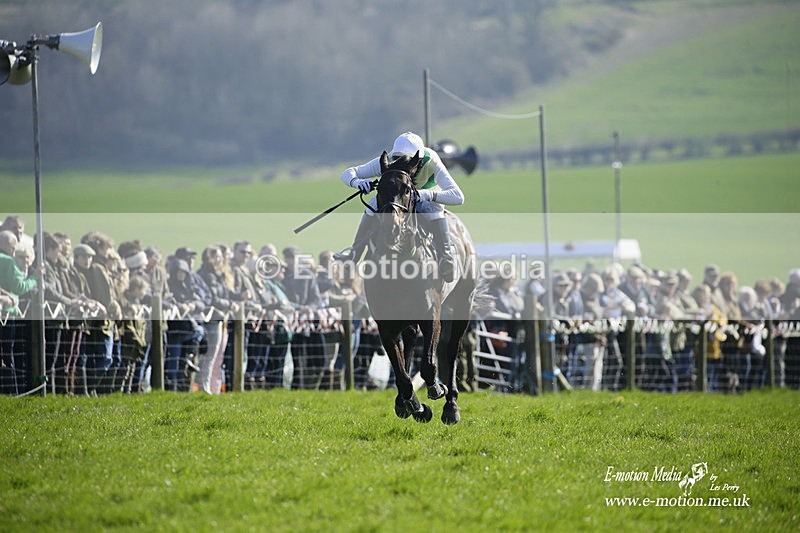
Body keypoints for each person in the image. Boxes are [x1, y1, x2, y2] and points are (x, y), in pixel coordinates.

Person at [333, 132, 465, 282]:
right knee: (372, 205)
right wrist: (357, 182)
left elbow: (458, 197)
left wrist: (428, 195)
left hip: (425, 198)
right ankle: (354, 254)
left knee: (433, 210)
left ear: (419, 160)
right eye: (397, 159)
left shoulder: (432, 161)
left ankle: (445, 257)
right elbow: (348, 173)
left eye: (408, 160)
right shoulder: (387, 161)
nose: (402, 163)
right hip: (398, 200)